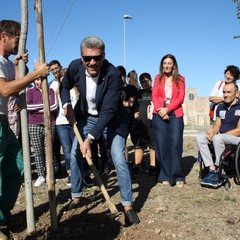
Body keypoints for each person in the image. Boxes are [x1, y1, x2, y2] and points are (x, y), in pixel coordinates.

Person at [61, 36, 140, 226]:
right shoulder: (74, 67)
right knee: (74, 154)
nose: (92, 62)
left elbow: (108, 112)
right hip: (87, 116)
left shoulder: (112, 74)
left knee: (119, 158)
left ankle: (128, 205)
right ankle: (77, 195)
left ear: (104, 56)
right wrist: (67, 105)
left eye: (97, 58)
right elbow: (64, 86)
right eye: (88, 58)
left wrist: (89, 138)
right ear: (82, 58)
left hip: (113, 120)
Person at [0, 20, 49, 239]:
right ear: (4, 37)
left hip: (3, 122)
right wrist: (35, 74)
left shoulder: (8, 63)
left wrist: (22, 67)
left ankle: (2, 214)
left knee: (19, 165)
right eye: (17, 41)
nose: (20, 46)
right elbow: (5, 89)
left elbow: (15, 88)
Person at [196, 82, 240, 188]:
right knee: (200, 138)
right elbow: (216, 126)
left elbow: (239, 130)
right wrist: (212, 131)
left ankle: (221, 171)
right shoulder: (220, 107)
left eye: (229, 92)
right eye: (224, 92)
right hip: (221, 137)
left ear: (236, 93)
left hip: (237, 139)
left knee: (219, 138)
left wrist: (220, 136)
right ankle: (212, 169)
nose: (225, 95)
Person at [152, 54, 186, 187]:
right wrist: (161, 110)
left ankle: (177, 176)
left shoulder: (181, 79)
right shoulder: (157, 78)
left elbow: (181, 97)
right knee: (161, 145)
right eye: (164, 63)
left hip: (175, 114)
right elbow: (154, 95)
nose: (166, 65)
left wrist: (168, 109)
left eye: (169, 63)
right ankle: (164, 175)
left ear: (174, 65)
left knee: (176, 144)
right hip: (159, 113)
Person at [49, 60, 78, 185]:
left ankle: (79, 172)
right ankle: (71, 173)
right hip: (61, 122)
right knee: (66, 149)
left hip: (75, 122)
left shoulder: (76, 88)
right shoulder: (53, 87)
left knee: (76, 149)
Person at [26, 78, 58, 187]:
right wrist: (45, 105)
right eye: (36, 80)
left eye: (40, 79)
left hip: (49, 123)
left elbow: (54, 107)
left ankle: (50, 173)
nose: (38, 82)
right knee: (38, 150)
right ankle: (41, 175)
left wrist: (38, 108)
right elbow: (28, 107)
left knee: (48, 149)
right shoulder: (30, 91)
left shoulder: (51, 91)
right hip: (34, 124)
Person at [132, 73, 155, 176]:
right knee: (139, 146)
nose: (144, 84)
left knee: (153, 147)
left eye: (146, 81)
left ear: (150, 80)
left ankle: (152, 168)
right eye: (142, 82)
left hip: (152, 125)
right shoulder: (139, 93)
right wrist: (135, 111)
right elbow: (134, 105)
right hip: (140, 125)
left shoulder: (155, 92)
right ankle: (137, 167)